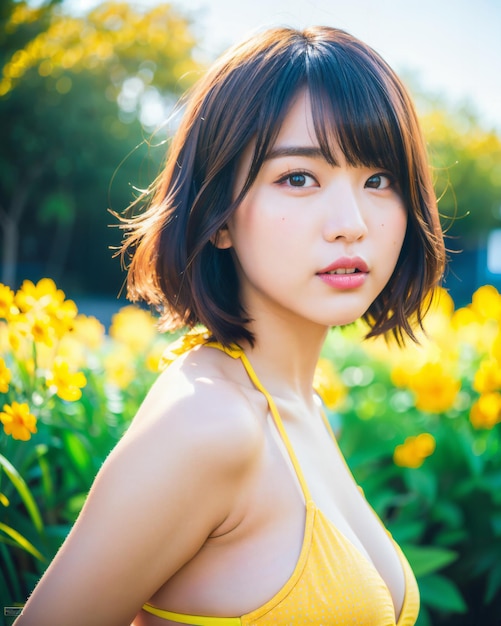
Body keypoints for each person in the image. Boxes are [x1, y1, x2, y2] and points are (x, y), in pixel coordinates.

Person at [16, 25, 445, 626]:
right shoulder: (209, 422)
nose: (352, 222)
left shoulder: (301, 404)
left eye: (380, 180)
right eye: (298, 178)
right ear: (217, 216)